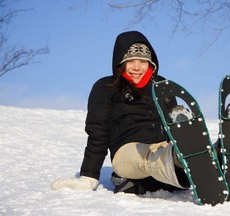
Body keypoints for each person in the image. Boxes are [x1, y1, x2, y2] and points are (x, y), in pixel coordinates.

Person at [51, 30, 189, 192]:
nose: (137, 67)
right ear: (120, 62)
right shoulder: (106, 88)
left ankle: (213, 155)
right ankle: (179, 161)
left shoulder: (161, 87)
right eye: (130, 61)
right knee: (150, 157)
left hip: (162, 147)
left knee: (169, 148)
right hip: (126, 153)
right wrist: (89, 175)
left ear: (151, 64)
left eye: (143, 61)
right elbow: (98, 133)